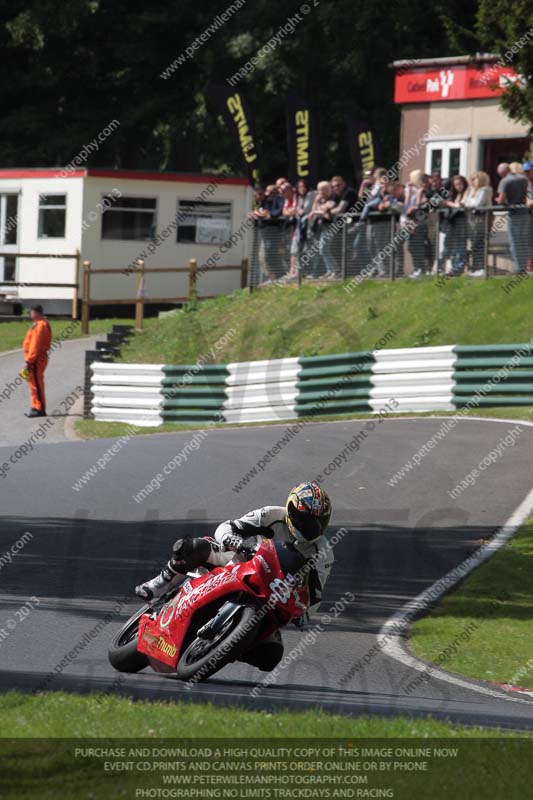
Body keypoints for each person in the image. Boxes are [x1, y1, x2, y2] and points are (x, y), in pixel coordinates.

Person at [135, 482, 334, 671]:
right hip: (241, 562)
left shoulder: (323, 552)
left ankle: (228, 647)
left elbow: (315, 595)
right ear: (291, 511)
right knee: (195, 547)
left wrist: (303, 615)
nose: (310, 528)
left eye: (317, 524)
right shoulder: (271, 515)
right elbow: (227, 527)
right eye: (305, 521)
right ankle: (160, 584)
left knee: (271, 656)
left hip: (273, 595)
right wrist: (237, 542)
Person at [497, 162, 529, 273]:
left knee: (515, 242)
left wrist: (498, 201)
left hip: (514, 214)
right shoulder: (524, 179)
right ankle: (529, 267)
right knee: (526, 241)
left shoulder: (505, 181)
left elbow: (501, 200)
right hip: (526, 212)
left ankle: (519, 268)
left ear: (502, 173)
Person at [22, 304, 52, 418]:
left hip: (36, 360)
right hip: (35, 359)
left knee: (37, 385)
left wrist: (29, 361)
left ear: (36, 313)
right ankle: (35, 406)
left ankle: (40, 409)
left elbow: (36, 346)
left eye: (31, 312)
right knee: (33, 384)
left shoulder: (41, 326)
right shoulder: (39, 324)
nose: (30, 314)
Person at [464, 171, 493, 277]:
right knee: (474, 244)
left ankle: (481, 268)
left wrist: (469, 205)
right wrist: (469, 204)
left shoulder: (485, 190)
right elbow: (466, 202)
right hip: (472, 221)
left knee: (479, 243)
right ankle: (476, 268)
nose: (471, 181)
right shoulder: (471, 190)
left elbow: (478, 203)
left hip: (480, 220)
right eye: (471, 179)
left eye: (474, 179)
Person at [307, 181, 337, 279]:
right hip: (322, 227)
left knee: (323, 249)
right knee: (323, 250)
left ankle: (335, 270)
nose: (320, 193)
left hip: (330, 226)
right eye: (319, 190)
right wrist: (316, 201)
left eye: (321, 190)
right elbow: (314, 210)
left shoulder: (333, 198)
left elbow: (324, 211)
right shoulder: (321, 200)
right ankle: (329, 270)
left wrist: (315, 212)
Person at [403, 170, 429, 278]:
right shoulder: (413, 190)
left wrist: (418, 194)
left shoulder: (423, 190)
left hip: (420, 222)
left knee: (417, 246)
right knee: (411, 246)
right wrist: (408, 192)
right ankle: (417, 268)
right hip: (410, 222)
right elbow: (406, 205)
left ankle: (421, 269)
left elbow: (420, 204)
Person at [442, 175, 469, 275]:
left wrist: (449, 204)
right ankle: (452, 267)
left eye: (460, 184)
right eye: (456, 185)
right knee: (450, 247)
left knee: (461, 246)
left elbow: (461, 205)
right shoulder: (455, 195)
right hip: (453, 225)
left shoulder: (467, 193)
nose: (458, 187)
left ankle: (459, 268)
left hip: (463, 224)